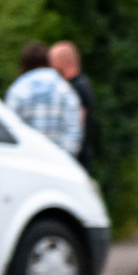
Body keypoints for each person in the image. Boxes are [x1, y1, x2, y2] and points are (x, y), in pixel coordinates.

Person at [5, 40, 83, 158]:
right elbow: (74, 131)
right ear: (48, 62)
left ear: (23, 65)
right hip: (60, 164)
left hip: (26, 162)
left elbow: (9, 128)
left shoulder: (17, 90)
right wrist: (65, 159)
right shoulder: (66, 90)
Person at [49, 40, 99, 180]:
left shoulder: (75, 89)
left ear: (61, 61)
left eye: (51, 60)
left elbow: (78, 124)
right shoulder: (81, 84)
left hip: (75, 160)